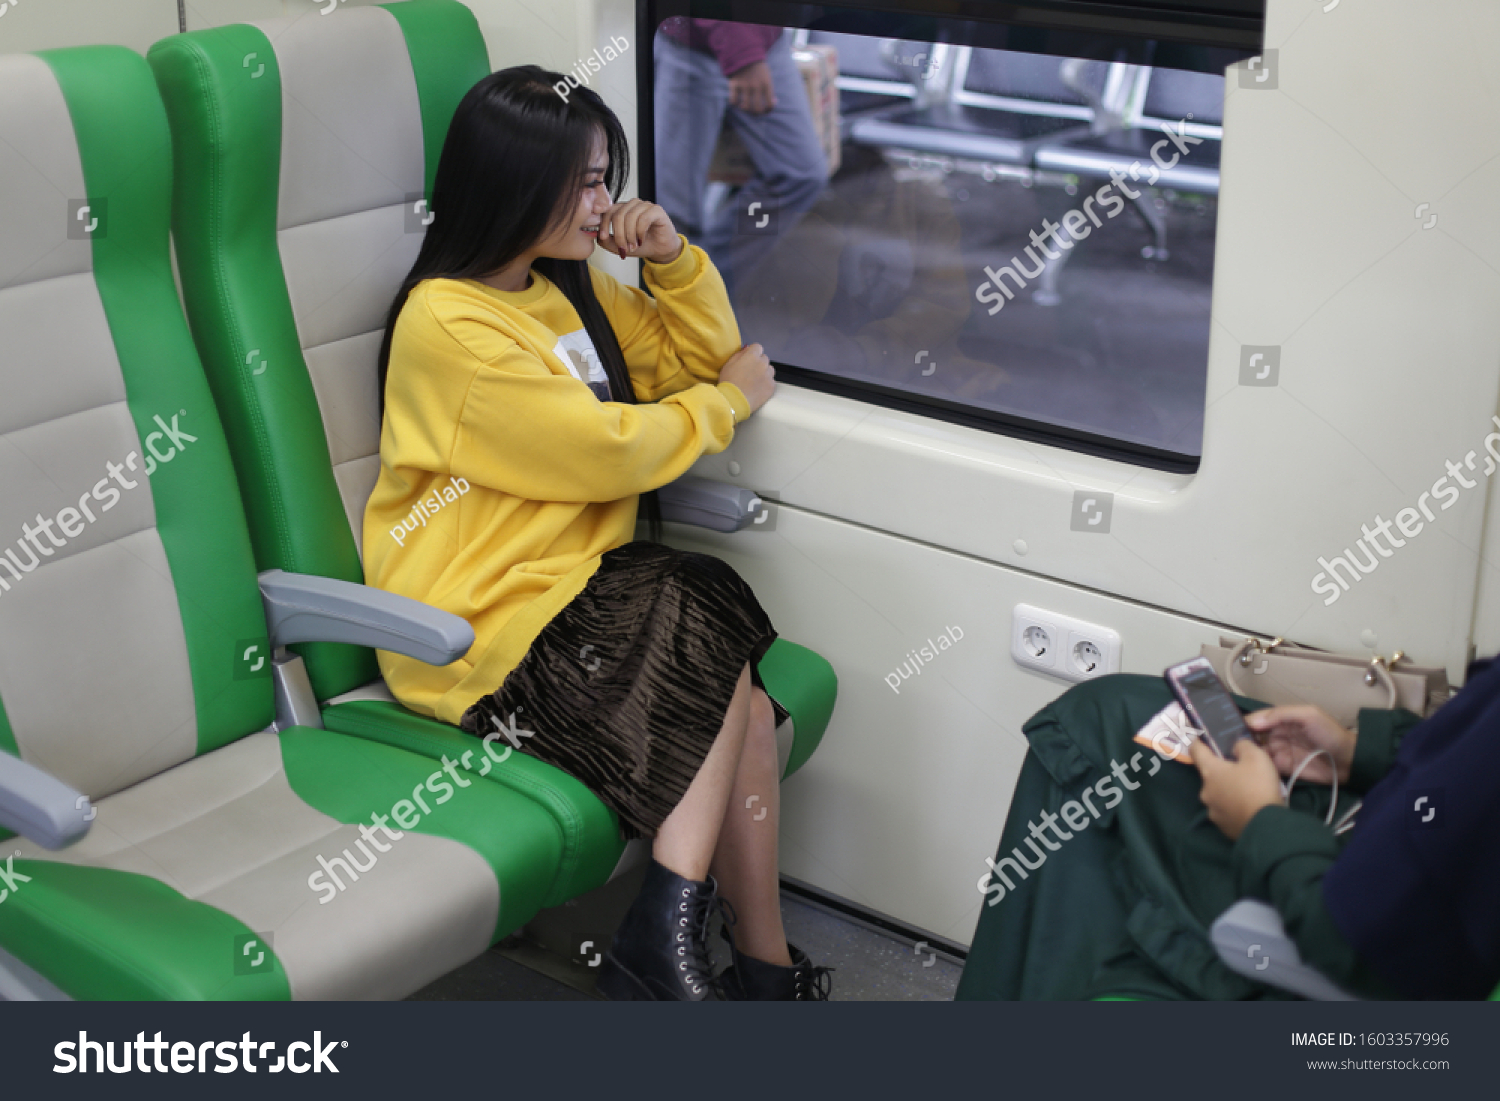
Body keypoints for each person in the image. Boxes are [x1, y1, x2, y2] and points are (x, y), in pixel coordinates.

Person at [364, 65, 831, 1002]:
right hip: (477, 633)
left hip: (573, 596)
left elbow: (697, 361)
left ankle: (748, 966)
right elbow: (607, 449)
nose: (604, 200)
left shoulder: (567, 291)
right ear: (514, 183)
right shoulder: (447, 322)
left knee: (727, 672)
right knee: (708, 611)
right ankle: (677, 945)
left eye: (603, 176)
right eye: (583, 180)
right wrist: (729, 404)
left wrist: (670, 261)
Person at [956, 657, 1500, 1001]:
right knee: (1107, 709)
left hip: (1338, 931)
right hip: (1398, 812)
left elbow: (1361, 939)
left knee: (1088, 746)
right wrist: (1361, 753)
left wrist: (1260, 821)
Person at [653, 18, 827, 296]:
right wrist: (742, 55)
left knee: (802, 173)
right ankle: (679, 305)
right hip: (692, 43)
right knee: (676, 212)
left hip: (766, 39)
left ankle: (708, 285)